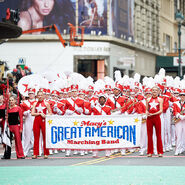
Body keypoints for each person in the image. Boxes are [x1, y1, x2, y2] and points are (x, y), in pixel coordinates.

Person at [31, 90, 52, 159]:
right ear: (37, 96)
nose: (40, 96)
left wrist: (45, 116)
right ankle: (35, 153)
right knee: (36, 137)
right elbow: (32, 113)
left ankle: (46, 153)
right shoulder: (34, 103)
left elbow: (50, 113)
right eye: (39, 95)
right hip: (36, 120)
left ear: (43, 96)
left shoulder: (46, 103)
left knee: (45, 137)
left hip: (44, 120)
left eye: (41, 95)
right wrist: (39, 114)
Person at [146, 86, 163, 157]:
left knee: (158, 135)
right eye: (153, 90)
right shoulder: (148, 99)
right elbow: (146, 109)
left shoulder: (160, 99)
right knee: (149, 135)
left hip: (156, 118)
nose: (154, 92)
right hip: (149, 118)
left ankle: (160, 152)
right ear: (151, 91)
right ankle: (150, 152)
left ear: (158, 91)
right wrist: (147, 113)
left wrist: (154, 114)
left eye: (156, 90)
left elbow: (161, 110)